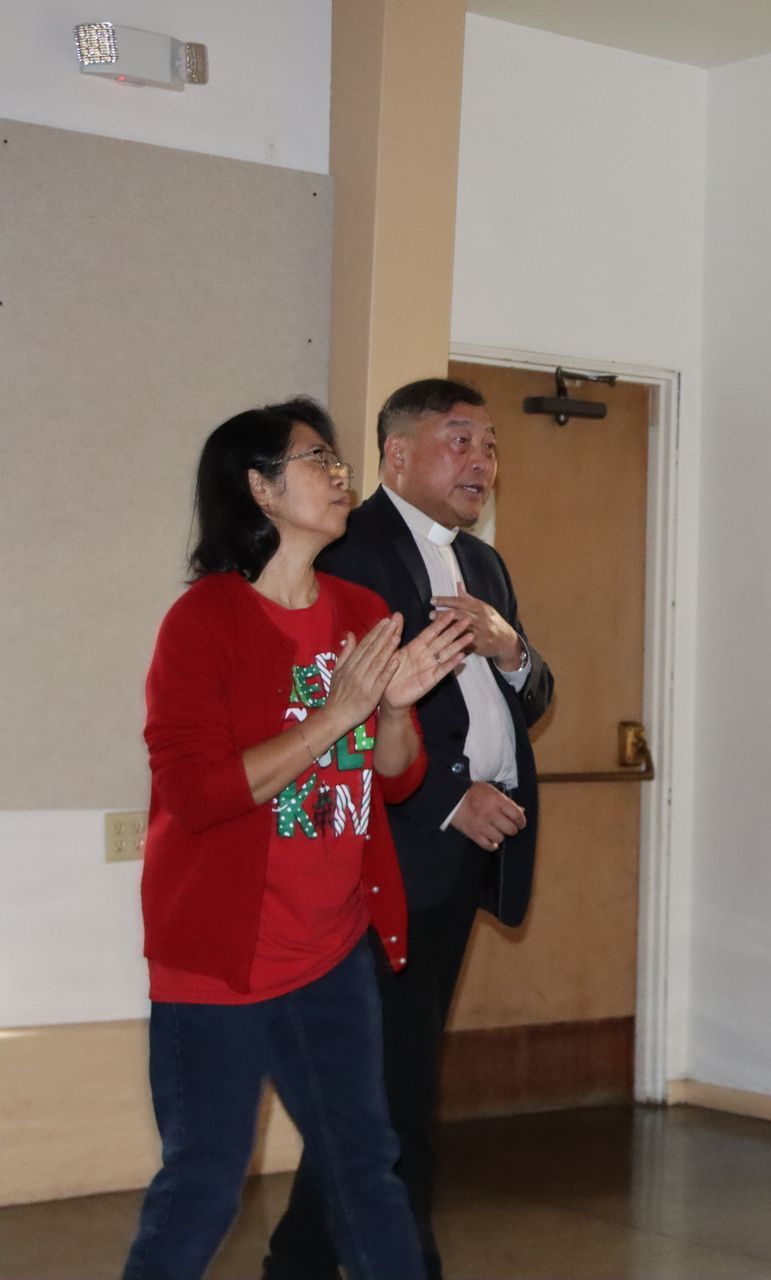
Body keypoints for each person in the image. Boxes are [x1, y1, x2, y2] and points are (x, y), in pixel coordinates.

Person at [125, 400, 470, 1280]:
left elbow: (396, 775)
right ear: (260, 489)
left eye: (339, 460)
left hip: (332, 950)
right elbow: (198, 795)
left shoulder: (359, 609)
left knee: (367, 1170)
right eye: (318, 460)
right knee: (204, 1186)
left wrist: (394, 709)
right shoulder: (204, 622)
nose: (341, 475)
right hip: (222, 960)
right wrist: (336, 714)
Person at [264, 379, 553, 1280]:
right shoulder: (350, 552)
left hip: (461, 863)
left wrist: (511, 649)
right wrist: (449, 796)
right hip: (387, 855)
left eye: (491, 445)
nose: (483, 461)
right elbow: (341, 711)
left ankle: (299, 1262)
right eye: (460, 440)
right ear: (396, 455)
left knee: (389, 1084)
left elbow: (531, 696)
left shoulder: (485, 564)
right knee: (395, 1090)